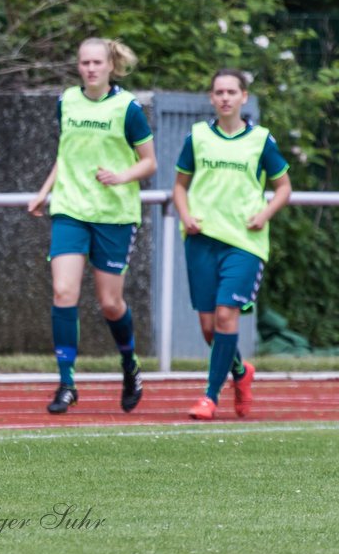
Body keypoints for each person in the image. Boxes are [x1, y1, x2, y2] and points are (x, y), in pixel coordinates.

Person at [27, 37, 157, 414]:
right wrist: (44, 191)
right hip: (70, 209)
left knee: (110, 303)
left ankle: (129, 365)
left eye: (97, 62)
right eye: (84, 63)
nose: (90, 69)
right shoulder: (66, 100)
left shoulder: (127, 107)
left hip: (114, 215)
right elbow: (65, 154)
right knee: (63, 292)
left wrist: (121, 175)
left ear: (110, 65)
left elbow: (149, 162)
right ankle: (67, 382)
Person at [172, 68, 291, 420]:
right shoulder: (197, 137)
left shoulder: (260, 140)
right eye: (219, 92)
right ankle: (241, 372)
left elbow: (284, 187)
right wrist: (185, 215)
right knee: (209, 328)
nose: (225, 98)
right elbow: (180, 186)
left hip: (244, 243)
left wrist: (265, 213)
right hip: (201, 239)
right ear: (211, 98)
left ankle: (209, 398)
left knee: (226, 316)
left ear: (243, 97)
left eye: (231, 92)